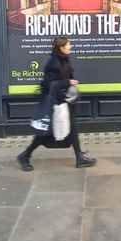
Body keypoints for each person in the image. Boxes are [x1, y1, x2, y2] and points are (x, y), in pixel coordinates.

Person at [17, 37, 97, 172]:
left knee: (72, 128)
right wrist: (68, 83)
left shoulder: (64, 58)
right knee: (45, 134)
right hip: (56, 102)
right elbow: (49, 85)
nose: (70, 46)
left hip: (65, 100)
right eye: (68, 44)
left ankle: (79, 157)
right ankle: (25, 155)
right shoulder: (53, 63)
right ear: (61, 47)